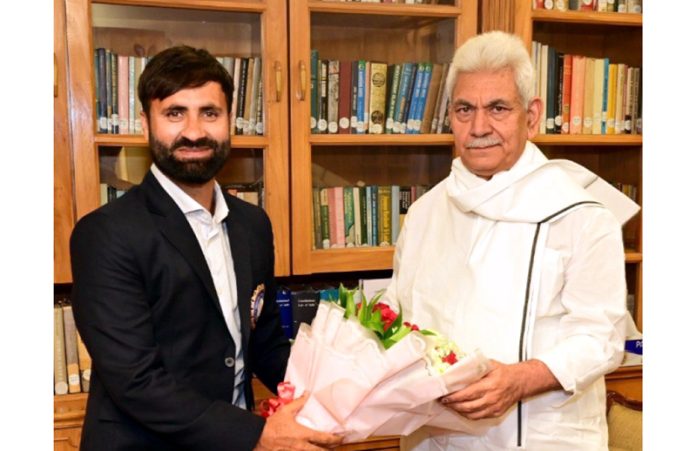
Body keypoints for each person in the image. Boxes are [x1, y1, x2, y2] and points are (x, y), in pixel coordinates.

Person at [70, 46, 342, 451]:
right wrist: (256, 435)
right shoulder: (106, 234)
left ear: (230, 119)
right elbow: (135, 379)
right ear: (146, 122)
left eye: (209, 113)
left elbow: (265, 343)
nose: (194, 131)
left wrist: (338, 397)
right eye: (175, 113)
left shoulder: (252, 225)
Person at [383, 31, 639, 450]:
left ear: (532, 115)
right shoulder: (426, 211)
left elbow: (601, 339)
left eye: (498, 108)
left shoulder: (582, 215)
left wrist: (518, 380)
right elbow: (401, 312)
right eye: (465, 109)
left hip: (542, 434)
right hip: (436, 436)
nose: (479, 127)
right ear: (450, 115)